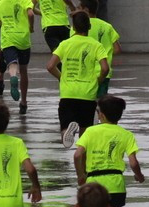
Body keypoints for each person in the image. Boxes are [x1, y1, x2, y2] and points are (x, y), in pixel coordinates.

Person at [74, 94, 143, 207]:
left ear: (102, 115)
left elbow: (77, 155)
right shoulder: (126, 135)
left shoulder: (90, 131)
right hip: (116, 185)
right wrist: (139, 176)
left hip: (93, 185)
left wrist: (81, 175)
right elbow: (133, 163)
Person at [47, 11, 108, 149]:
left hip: (68, 93)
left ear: (73, 28)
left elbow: (50, 66)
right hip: (87, 94)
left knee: (64, 127)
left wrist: (61, 77)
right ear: (89, 26)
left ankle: (68, 131)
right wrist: (99, 80)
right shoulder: (96, 45)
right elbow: (105, 68)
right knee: (85, 131)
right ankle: (83, 158)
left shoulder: (65, 44)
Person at [0, 0, 34, 112]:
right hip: (23, 39)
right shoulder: (25, 1)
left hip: (8, 39)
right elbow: (30, 14)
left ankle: (13, 76)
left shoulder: (0, 4)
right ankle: (23, 102)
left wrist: (2, 21)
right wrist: (31, 27)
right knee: (24, 70)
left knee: (12, 64)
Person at [80, 0, 118, 97]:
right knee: (101, 102)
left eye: (79, 8)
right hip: (104, 71)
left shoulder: (78, 28)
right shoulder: (107, 26)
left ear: (86, 10)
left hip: (85, 72)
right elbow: (117, 49)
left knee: (87, 101)